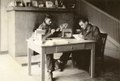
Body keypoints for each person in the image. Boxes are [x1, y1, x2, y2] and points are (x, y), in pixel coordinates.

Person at [34, 14, 55, 81]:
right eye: (50, 20)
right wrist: (51, 33)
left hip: (47, 42)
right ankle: (50, 72)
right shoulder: (41, 27)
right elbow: (42, 38)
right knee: (49, 54)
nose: (51, 22)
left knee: (51, 53)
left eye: (51, 21)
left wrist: (55, 32)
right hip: (42, 44)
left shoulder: (49, 26)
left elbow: (49, 36)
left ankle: (51, 67)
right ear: (46, 20)